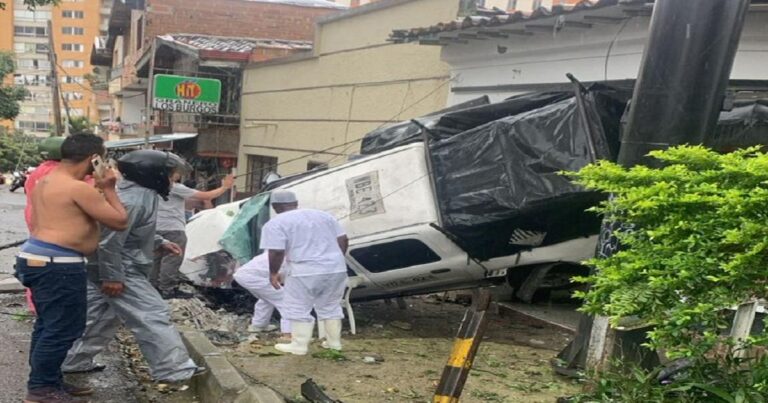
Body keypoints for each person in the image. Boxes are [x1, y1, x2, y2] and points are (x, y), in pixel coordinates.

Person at [62, 150, 205, 383]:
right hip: (120, 268)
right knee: (153, 313)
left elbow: (136, 231)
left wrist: (160, 242)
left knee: (100, 318)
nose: (173, 180)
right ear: (153, 174)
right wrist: (112, 277)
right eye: (170, 175)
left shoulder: (141, 194)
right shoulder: (133, 200)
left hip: (111, 267)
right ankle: (174, 369)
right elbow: (109, 242)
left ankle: (73, 361)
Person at [17, 134, 128, 403]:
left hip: (37, 258)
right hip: (59, 264)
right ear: (95, 158)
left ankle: (48, 381)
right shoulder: (77, 188)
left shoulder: (47, 180)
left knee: (47, 326)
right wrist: (110, 187)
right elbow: (120, 221)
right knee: (62, 328)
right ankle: (41, 389)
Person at [260, 190, 349, 356]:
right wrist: (336, 259)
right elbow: (343, 239)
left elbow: (276, 251)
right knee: (330, 305)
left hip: (304, 270)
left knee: (297, 306)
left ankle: (299, 345)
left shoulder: (276, 223)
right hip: (336, 268)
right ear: (295, 202)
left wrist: (273, 273)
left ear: (275, 206)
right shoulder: (323, 215)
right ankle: (334, 343)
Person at [152, 165, 234, 299]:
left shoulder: (152, 186)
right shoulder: (175, 187)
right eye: (177, 172)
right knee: (173, 257)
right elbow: (206, 196)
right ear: (173, 174)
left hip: (155, 227)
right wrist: (224, 187)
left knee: (156, 257)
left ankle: (153, 286)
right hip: (173, 228)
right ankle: (167, 289)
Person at [22, 136, 66, 316]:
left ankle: (35, 305)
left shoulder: (37, 172)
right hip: (60, 230)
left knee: (38, 264)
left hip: (36, 225)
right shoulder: (66, 174)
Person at [233, 253, 291, 335]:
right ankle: (289, 333)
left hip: (245, 275)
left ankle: (259, 325)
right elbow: (281, 278)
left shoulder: (279, 252)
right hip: (252, 277)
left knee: (267, 299)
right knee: (285, 300)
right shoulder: (289, 258)